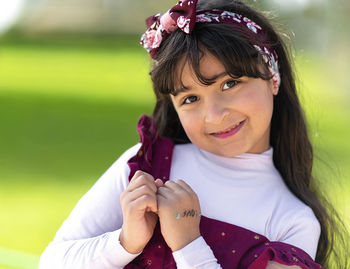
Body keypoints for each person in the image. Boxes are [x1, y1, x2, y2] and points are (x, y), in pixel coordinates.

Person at [39, 0, 348, 268]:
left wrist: (188, 246)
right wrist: (125, 241)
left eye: (229, 84)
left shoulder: (293, 222)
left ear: (272, 76)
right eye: (190, 99)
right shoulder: (144, 166)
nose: (214, 115)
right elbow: (51, 262)